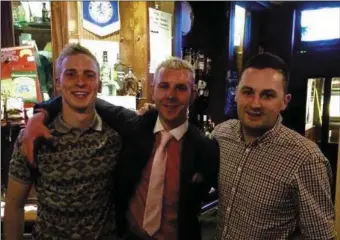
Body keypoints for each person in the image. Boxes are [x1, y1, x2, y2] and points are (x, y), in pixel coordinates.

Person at [18, 56, 219, 240]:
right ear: (153, 89)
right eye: (164, 86)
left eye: (181, 88)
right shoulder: (134, 126)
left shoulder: (206, 149)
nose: (171, 95)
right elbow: (84, 96)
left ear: (193, 94)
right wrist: (40, 115)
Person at [4, 43, 132, 239]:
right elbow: (14, 205)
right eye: (71, 74)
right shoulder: (33, 137)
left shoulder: (116, 136)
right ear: (58, 82)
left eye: (89, 75)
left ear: (98, 82)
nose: (80, 82)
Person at [212, 52, 335, 239]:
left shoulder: (307, 159)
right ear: (236, 94)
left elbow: (320, 236)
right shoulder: (221, 134)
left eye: (267, 95)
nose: (255, 103)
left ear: (285, 102)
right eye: (248, 92)